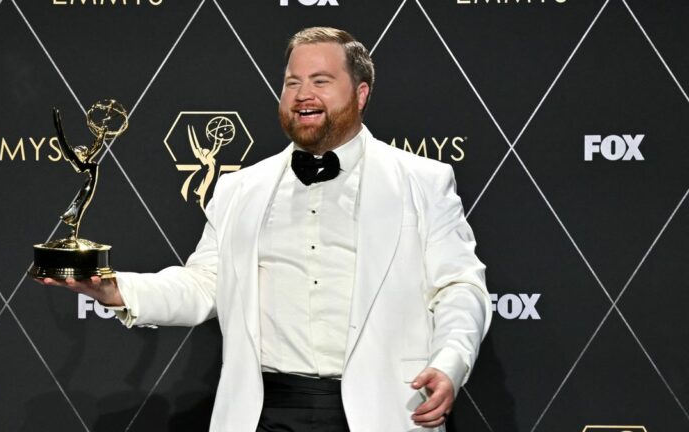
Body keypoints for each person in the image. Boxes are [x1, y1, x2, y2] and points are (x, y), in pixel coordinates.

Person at [39, 27, 491, 432]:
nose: (302, 94)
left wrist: (450, 363)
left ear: (361, 93)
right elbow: (204, 285)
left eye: (320, 81)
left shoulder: (423, 182)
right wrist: (116, 290)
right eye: (292, 82)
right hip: (264, 412)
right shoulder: (241, 188)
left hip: (385, 408)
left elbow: (459, 288)